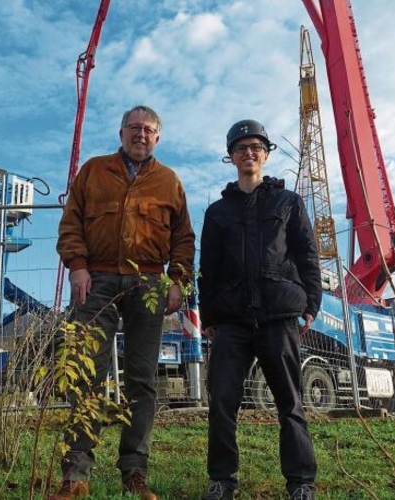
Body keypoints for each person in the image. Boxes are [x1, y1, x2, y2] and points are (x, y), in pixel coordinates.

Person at [54, 105, 196, 500]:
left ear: (158, 138)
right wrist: (78, 266)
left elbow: (184, 239)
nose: (141, 134)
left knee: (142, 380)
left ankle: (134, 472)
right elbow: (71, 223)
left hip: (149, 283)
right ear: (120, 133)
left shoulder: (169, 181)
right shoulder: (94, 171)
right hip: (96, 279)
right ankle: (75, 475)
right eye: (134, 128)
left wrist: (177, 281)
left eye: (149, 130)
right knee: (86, 374)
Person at [198, 120, 322, 500]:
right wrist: (208, 317)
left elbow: (307, 255)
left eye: (255, 147)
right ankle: (222, 479)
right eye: (240, 148)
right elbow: (210, 269)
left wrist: (311, 304)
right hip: (231, 320)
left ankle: (300, 482)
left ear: (266, 154)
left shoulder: (288, 203)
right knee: (221, 402)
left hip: (278, 314)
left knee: (290, 402)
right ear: (231, 157)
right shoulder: (217, 212)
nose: (248, 153)